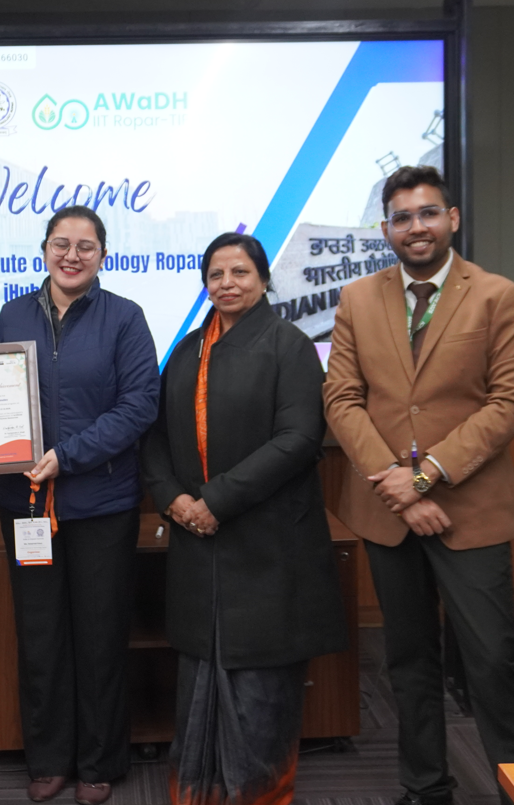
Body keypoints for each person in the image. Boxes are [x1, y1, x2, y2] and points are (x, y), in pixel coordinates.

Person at [323, 165, 514, 805]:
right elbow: (341, 398)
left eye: (426, 213)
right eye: (401, 218)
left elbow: (510, 402)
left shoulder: (497, 295)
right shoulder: (357, 298)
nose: (415, 227)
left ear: (452, 218)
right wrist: (395, 484)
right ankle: (425, 787)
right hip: (387, 511)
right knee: (409, 659)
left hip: (469, 508)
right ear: (386, 229)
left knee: (494, 660)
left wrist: (423, 477)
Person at [141, 233, 347, 805]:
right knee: (199, 680)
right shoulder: (188, 350)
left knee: (262, 687)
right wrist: (173, 499)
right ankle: (199, 792)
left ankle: (259, 795)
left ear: (263, 279)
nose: (227, 283)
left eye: (240, 272)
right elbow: (154, 438)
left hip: (268, 545)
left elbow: (299, 439)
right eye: (216, 274)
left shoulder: (289, 345)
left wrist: (216, 501)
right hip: (196, 541)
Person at [0, 205, 159, 805]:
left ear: (103, 255)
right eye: (61, 243)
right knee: (40, 636)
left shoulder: (125, 318)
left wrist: (69, 456)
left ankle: (99, 762)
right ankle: (49, 758)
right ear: (44, 250)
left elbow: (139, 405)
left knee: (100, 636)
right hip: (26, 505)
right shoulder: (13, 314)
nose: (72, 255)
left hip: (101, 503)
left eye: (86, 246)